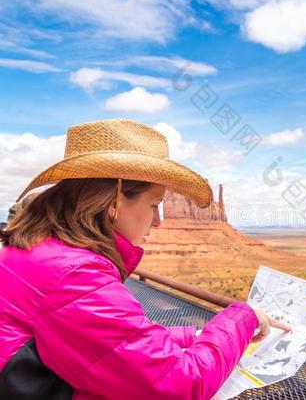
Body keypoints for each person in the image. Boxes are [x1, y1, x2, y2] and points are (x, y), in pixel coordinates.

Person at [0, 118, 290, 400]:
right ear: (115, 202)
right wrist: (242, 317)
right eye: (154, 205)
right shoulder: (75, 275)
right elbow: (180, 384)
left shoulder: (37, 252)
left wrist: (199, 335)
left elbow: (114, 343)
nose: (158, 221)